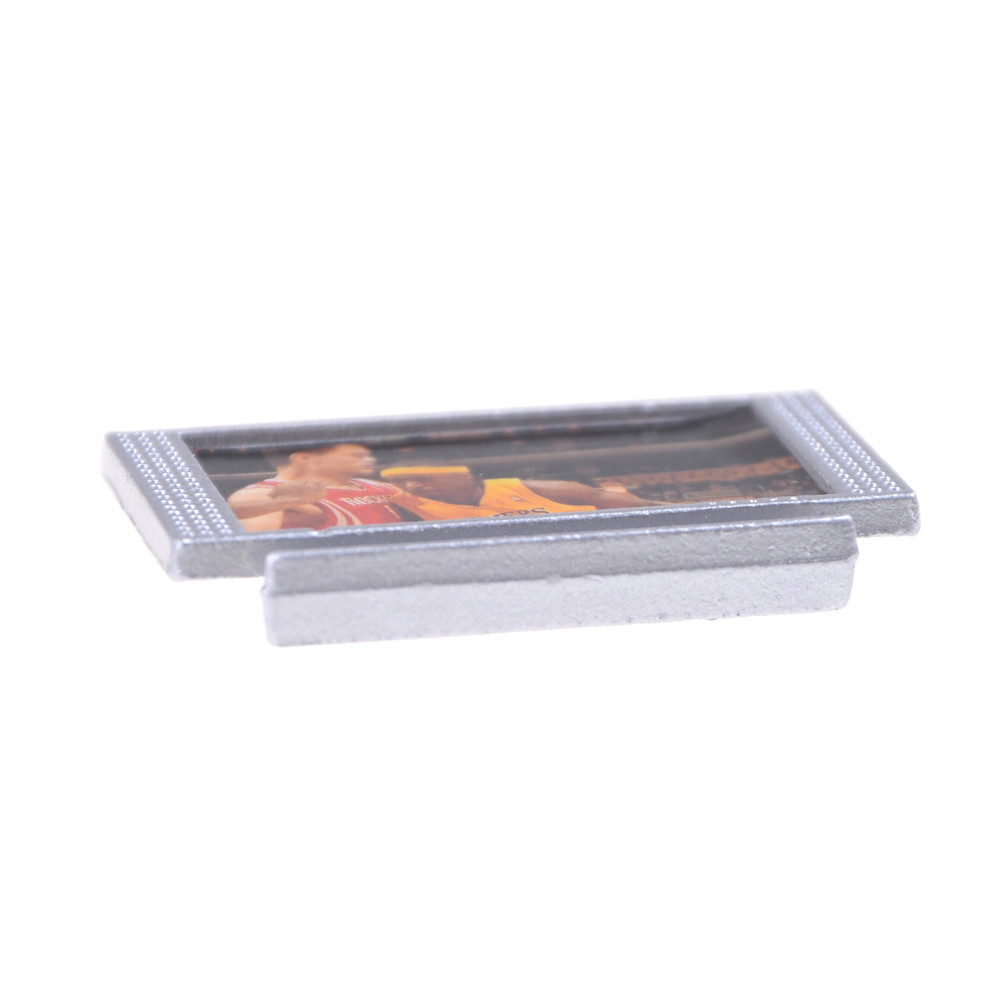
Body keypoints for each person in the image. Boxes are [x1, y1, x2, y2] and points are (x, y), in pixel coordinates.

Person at [228, 444, 409, 532]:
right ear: (304, 458)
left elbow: (425, 513)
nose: (370, 460)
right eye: (356, 456)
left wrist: (423, 491)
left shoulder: (380, 486)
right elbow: (256, 554)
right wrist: (285, 503)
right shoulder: (259, 494)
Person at [379, 465, 662, 520]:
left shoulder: (527, 489)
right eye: (405, 481)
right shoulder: (405, 504)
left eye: (422, 478)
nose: (413, 485)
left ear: (463, 475)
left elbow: (642, 506)